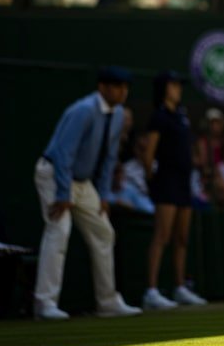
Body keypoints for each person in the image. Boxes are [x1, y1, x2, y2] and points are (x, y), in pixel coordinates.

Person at [32, 66, 142, 320]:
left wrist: (103, 194)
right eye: (116, 86)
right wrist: (62, 193)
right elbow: (63, 153)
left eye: (125, 87)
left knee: (104, 232)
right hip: (55, 174)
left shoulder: (117, 115)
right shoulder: (83, 110)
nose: (122, 92)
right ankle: (44, 303)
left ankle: (107, 301)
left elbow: (108, 157)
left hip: (82, 182)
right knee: (59, 230)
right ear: (102, 88)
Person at [141, 70, 208, 310]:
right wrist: (153, 178)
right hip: (166, 181)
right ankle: (151, 291)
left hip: (183, 181)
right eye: (173, 85)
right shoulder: (158, 117)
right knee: (163, 235)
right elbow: (149, 154)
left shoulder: (182, 116)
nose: (178, 89)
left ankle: (179, 288)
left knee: (181, 238)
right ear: (164, 89)